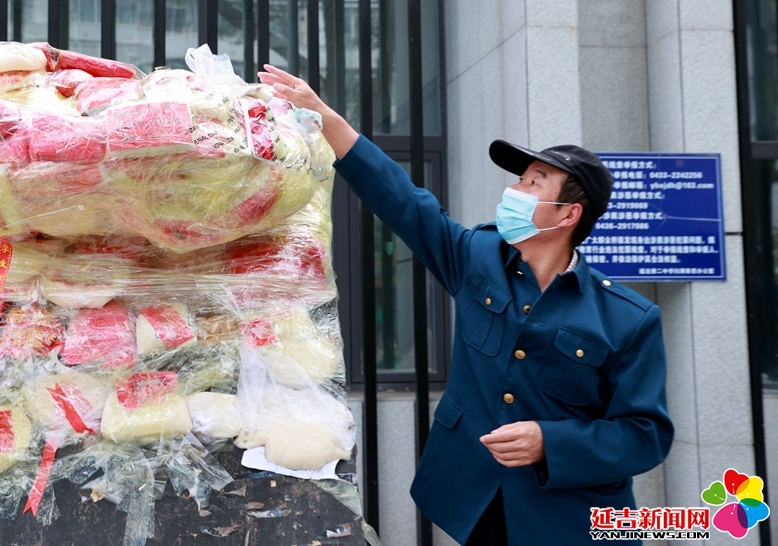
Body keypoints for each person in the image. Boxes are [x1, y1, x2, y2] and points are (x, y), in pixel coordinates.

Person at [258, 64, 674, 546]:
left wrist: (550, 442)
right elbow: (405, 202)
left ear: (568, 215)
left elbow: (645, 435)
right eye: (520, 179)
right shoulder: (480, 256)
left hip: (566, 518)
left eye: (534, 183)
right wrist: (325, 116)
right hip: (475, 499)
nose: (514, 190)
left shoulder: (628, 318)